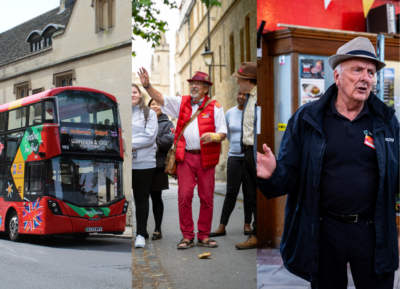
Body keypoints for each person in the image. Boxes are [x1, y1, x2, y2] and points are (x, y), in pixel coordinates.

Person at [257, 37, 399, 288]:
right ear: (337, 75)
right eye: (357, 70)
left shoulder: (386, 121)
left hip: (373, 229)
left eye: (370, 72)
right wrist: (272, 173)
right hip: (324, 229)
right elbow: (291, 174)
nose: (365, 78)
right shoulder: (308, 119)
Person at [138, 68, 227, 249]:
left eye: (198, 84)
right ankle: (187, 235)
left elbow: (223, 133)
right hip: (185, 157)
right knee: (184, 196)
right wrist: (147, 85)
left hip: (206, 159)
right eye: (191, 83)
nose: (193, 86)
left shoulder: (215, 107)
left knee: (207, 198)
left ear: (205, 88)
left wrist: (214, 137)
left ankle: (203, 236)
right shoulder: (182, 102)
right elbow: (161, 99)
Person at [210, 90, 252, 237]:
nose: (241, 96)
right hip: (234, 156)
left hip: (249, 157)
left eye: (244, 94)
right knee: (231, 192)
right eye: (239, 93)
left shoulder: (253, 112)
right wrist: (236, 147)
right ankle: (222, 226)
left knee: (248, 192)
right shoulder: (230, 113)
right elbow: (225, 133)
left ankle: (247, 224)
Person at [231, 62, 258, 249]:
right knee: (252, 195)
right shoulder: (249, 98)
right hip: (247, 151)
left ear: (248, 80)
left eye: (239, 79)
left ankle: (258, 234)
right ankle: (256, 233)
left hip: (255, 152)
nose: (238, 83)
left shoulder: (258, 98)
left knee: (257, 194)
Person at [131, 83, 158, 249]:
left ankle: (140, 234)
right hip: (126, 161)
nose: (132, 95)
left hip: (144, 162)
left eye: (134, 92)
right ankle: (141, 229)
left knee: (141, 198)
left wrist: (127, 143)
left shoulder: (149, 113)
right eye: (129, 92)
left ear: (140, 95)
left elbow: (149, 137)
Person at [148, 98, 175, 240]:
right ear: (148, 107)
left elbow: (169, 141)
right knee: (141, 199)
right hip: (141, 165)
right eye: (153, 104)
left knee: (156, 198)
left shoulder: (167, 123)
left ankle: (158, 229)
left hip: (158, 166)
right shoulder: (142, 121)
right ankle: (142, 229)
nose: (155, 106)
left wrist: (149, 140)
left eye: (158, 104)